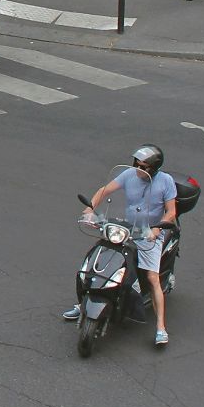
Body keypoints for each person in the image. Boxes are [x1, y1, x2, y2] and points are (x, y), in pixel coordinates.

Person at [63, 145, 178, 346]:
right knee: (98, 260)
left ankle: (160, 327)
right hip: (125, 228)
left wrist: (157, 230)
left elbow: (171, 213)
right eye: (137, 164)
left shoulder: (166, 182)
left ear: (154, 168)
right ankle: (82, 303)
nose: (138, 169)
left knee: (152, 278)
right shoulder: (129, 174)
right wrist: (90, 209)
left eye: (143, 166)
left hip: (148, 233)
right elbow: (104, 190)